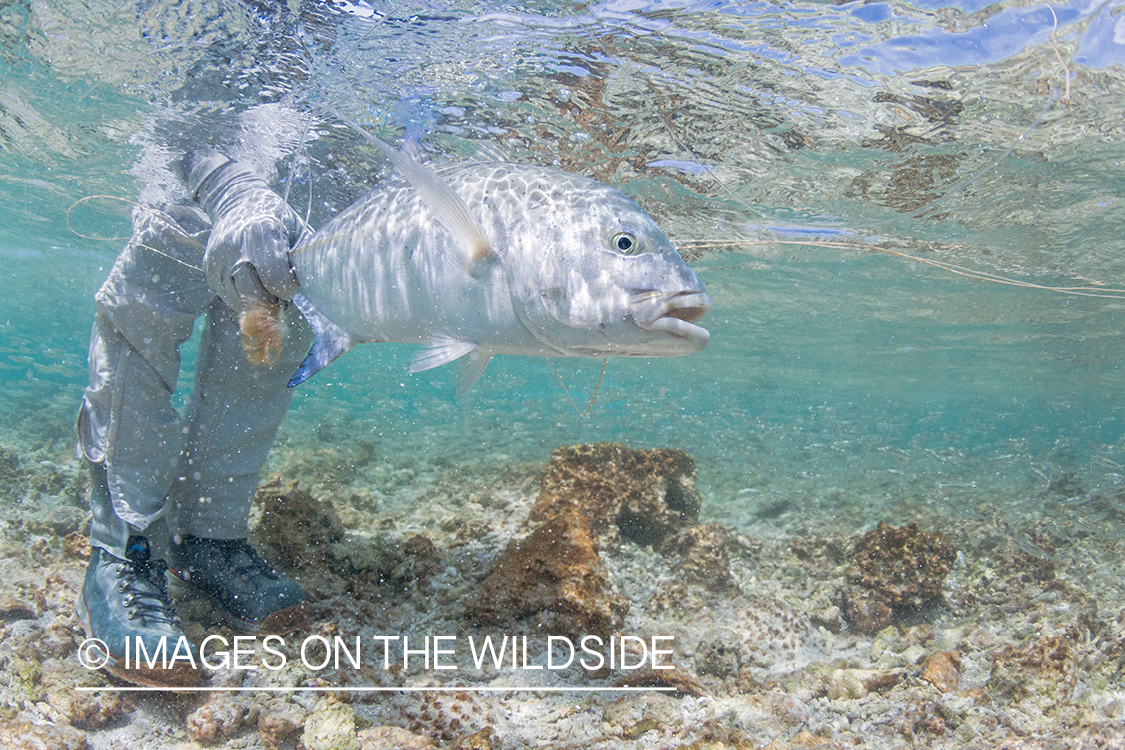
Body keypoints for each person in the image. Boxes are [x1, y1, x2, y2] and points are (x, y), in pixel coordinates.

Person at [75, 147, 316, 688]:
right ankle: (124, 545)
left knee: (278, 325)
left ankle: (208, 538)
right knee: (146, 306)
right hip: (218, 140)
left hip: (314, 160)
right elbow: (195, 116)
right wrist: (229, 182)